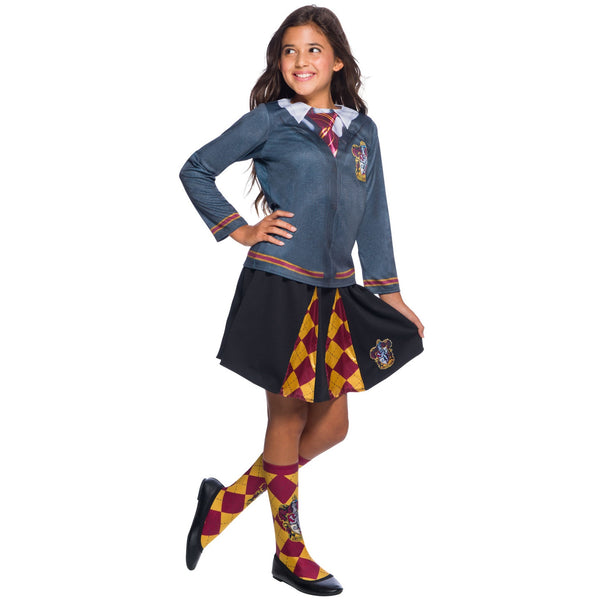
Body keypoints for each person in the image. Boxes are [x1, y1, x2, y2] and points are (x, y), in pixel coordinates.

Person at [179, 5, 424, 596]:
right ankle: (290, 553)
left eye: (314, 49)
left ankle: (223, 505)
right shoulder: (269, 121)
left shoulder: (363, 132)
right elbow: (196, 169)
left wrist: (390, 293)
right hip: (280, 286)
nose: (300, 60)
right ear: (279, 63)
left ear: (337, 61)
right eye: (289, 51)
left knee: (333, 426)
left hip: (337, 293)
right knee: (286, 418)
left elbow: (375, 214)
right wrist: (240, 229)